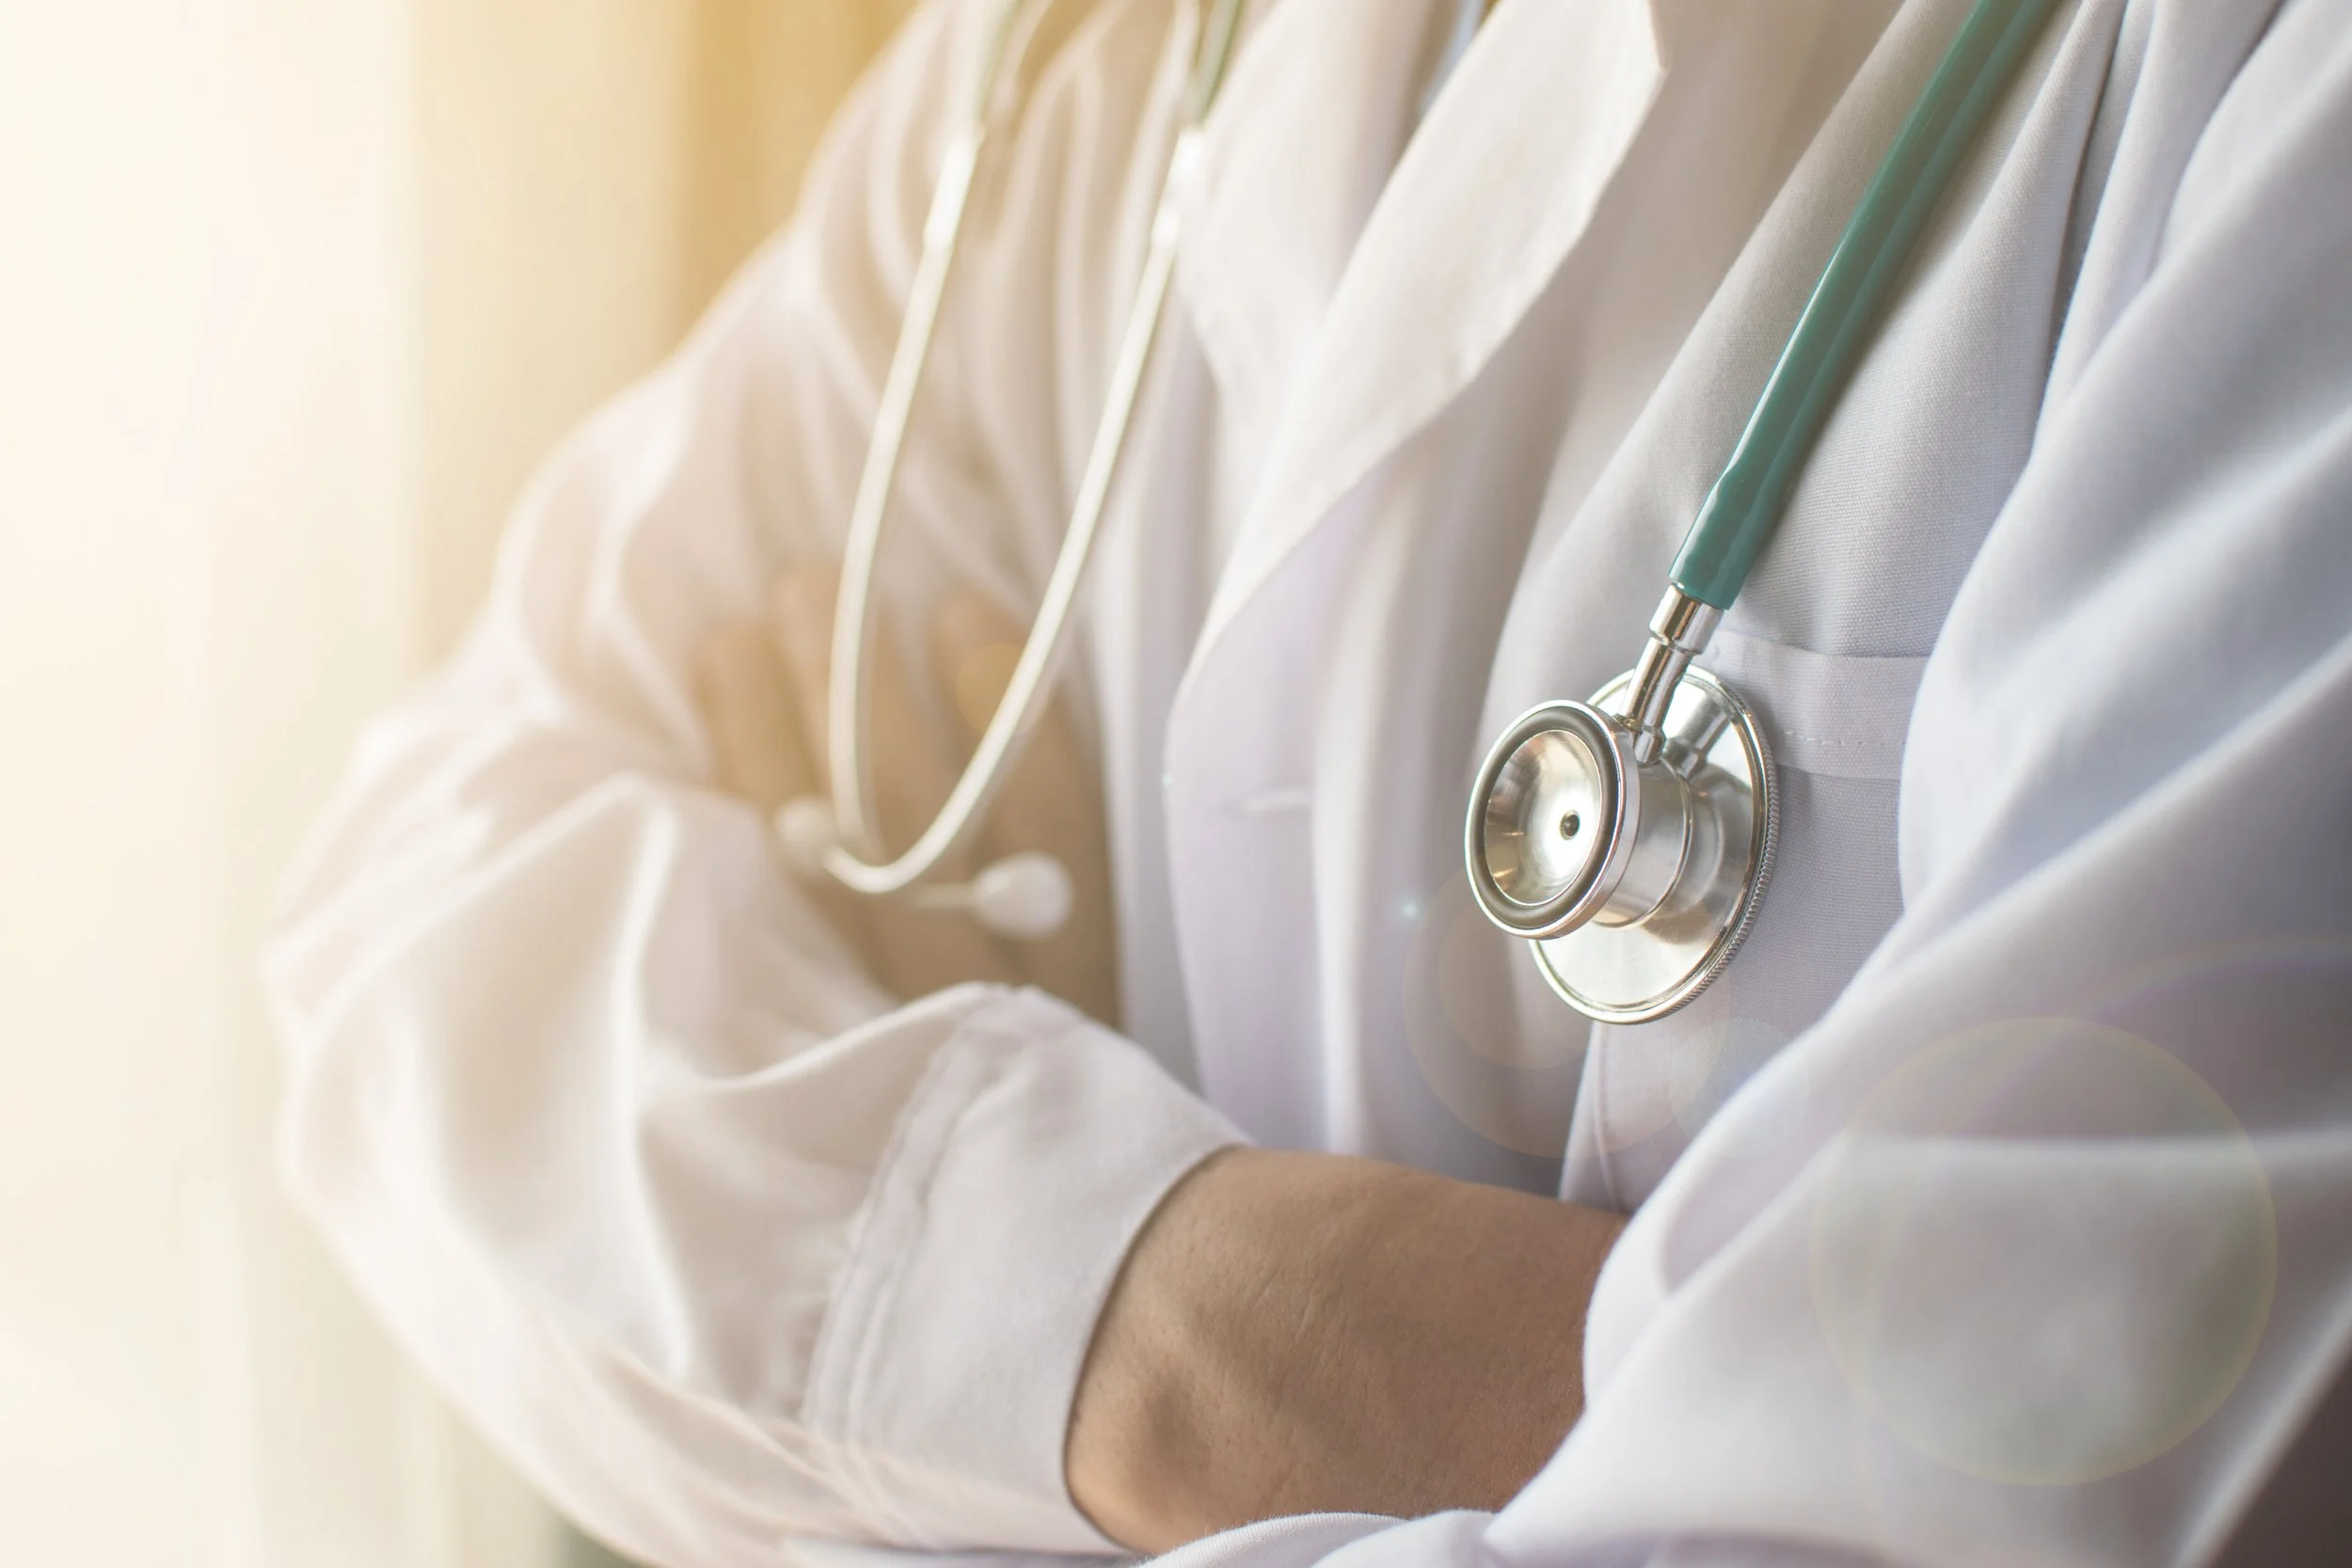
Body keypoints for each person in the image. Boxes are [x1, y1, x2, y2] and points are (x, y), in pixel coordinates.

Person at [265, 0, 2352, 1564]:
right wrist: (1153, 1323)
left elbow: (1983, 1484)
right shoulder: (1091, 59)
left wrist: (912, 1407)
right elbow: (424, 910)